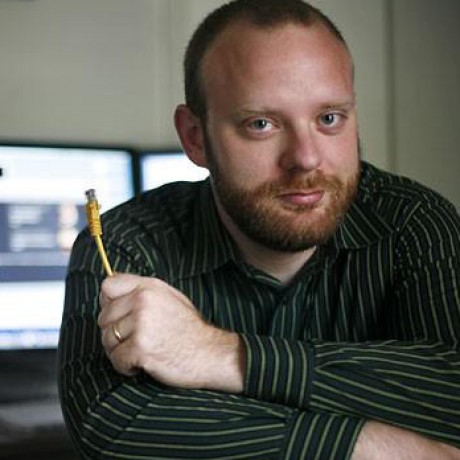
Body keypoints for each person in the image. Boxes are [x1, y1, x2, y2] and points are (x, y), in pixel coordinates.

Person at [58, 0, 460, 458]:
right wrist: (370, 445)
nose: (306, 158)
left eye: (329, 118)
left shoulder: (414, 223)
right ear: (195, 137)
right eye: (262, 124)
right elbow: (113, 424)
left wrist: (222, 355)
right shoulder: (125, 243)